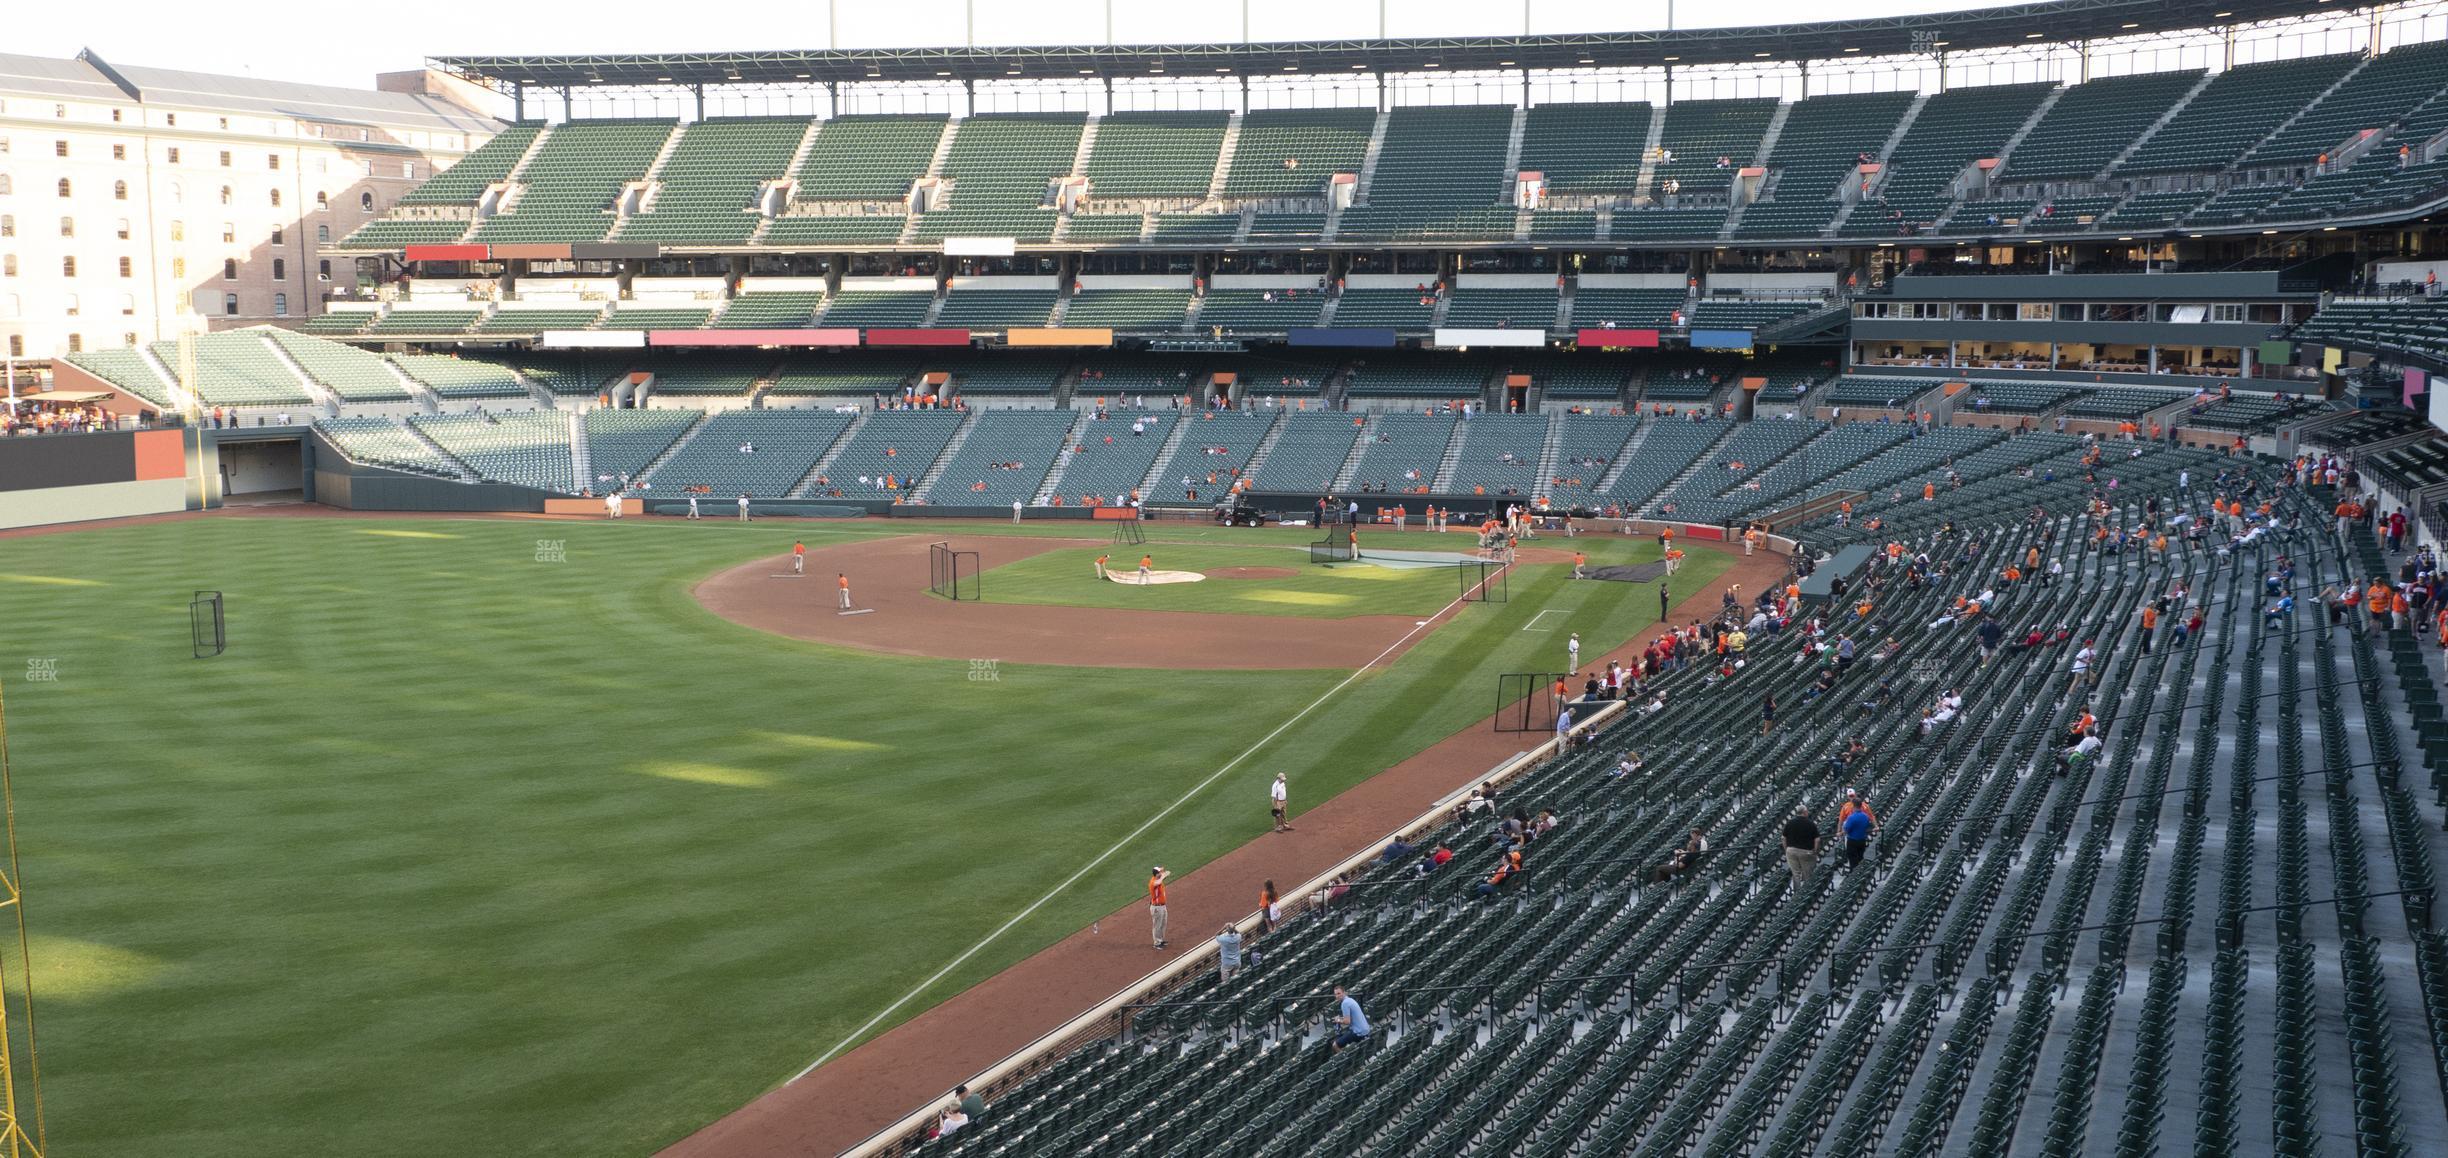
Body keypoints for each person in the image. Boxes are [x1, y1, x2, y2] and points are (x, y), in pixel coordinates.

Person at [1783, 806, 1821, 885]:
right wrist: (1815, 850)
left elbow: (1783, 838)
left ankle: (1797, 894)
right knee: (1807, 874)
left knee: (1796, 874)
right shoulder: (1811, 823)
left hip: (1791, 851)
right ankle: (1805, 893)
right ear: (1805, 812)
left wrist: (1786, 849)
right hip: (1806, 852)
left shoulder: (1790, 822)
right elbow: (1817, 839)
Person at [1841, 797, 1877, 869]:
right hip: (1862, 840)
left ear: (1853, 806)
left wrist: (1841, 832)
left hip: (1852, 841)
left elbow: (1846, 830)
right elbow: (1868, 825)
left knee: (1853, 861)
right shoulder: (1865, 816)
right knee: (1860, 858)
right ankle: (1860, 872)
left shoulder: (1851, 817)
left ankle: (1853, 876)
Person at [1330, 985, 1369, 1051]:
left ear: (1344, 992)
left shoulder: (1344, 1003)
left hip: (1359, 1033)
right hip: (1366, 1030)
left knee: (1335, 1045)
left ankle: (1344, 1058)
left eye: (1339, 993)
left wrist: (1338, 1020)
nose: (1337, 996)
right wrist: (1341, 1018)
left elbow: (1347, 1022)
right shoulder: (1350, 1000)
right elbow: (1350, 1017)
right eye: (1336, 994)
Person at [1147, 866, 1170, 949]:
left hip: (1162, 906)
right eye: (1159, 872)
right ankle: (1156, 943)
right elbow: (1158, 882)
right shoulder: (1153, 882)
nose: (1161, 872)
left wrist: (1163, 873)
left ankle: (1161, 940)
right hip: (1157, 908)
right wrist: (1164, 876)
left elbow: (1161, 876)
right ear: (1156, 874)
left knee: (1163, 923)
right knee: (1157, 925)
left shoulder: (1158, 878)